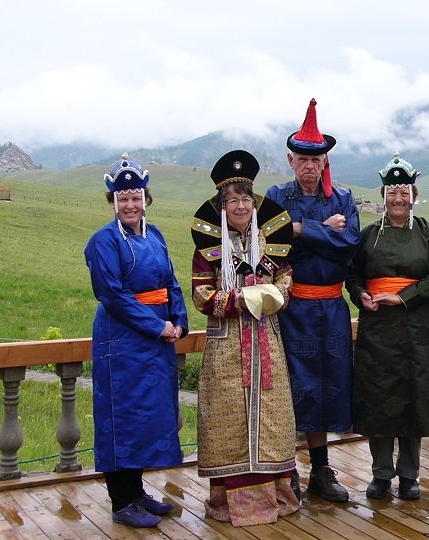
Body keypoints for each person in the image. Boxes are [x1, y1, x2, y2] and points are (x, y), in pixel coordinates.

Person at [190, 149, 300, 526]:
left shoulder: (270, 241)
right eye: (233, 200)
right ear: (222, 207)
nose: (240, 206)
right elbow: (201, 294)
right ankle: (227, 503)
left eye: (246, 199)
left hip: (266, 340)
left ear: (255, 204)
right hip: (227, 345)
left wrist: (276, 293)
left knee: (272, 416)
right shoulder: (209, 249)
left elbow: (285, 276)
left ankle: (277, 496)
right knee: (229, 417)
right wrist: (237, 298)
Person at [84, 153, 189, 528]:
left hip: (155, 341)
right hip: (122, 341)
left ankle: (137, 491)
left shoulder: (155, 233)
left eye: (136, 196)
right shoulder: (104, 241)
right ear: (112, 202)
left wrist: (178, 319)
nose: (131, 204)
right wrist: (156, 326)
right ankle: (121, 500)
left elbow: (170, 282)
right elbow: (112, 295)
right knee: (122, 416)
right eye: (123, 198)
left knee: (148, 417)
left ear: (147, 198)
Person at [265, 98, 360, 502]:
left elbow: (349, 244)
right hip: (290, 309)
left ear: (325, 161)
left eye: (316, 158)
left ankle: (321, 470)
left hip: (332, 309)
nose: (309, 165)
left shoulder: (343, 197)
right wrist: (317, 229)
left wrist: (301, 233)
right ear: (290, 160)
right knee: (290, 387)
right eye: (302, 158)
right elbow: (274, 245)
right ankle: (288, 472)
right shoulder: (276, 196)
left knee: (327, 387)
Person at [346, 152, 429, 500]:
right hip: (377, 330)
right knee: (378, 399)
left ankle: (409, 475)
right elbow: (354, 275)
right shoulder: (368, 234)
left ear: (414, 195)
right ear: (384, 195)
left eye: (404, 191)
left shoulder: (428, 233)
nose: (398, 198)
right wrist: (361, 295)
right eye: (392, 191)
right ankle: (380, 474)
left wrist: (404, 297)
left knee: (412, 399)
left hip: (416, 328)